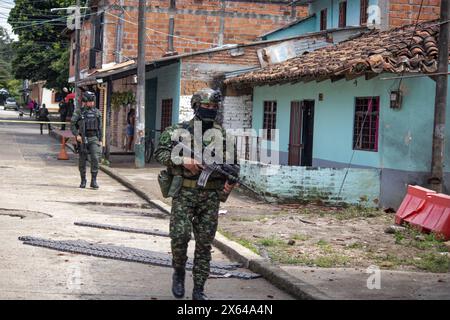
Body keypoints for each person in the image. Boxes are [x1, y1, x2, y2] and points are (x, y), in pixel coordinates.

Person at [154, 88, 238, 300]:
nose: (210, 110)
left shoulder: (224, 136)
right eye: (206, 106)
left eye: (213, 107)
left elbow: (234, 166)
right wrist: (185, 161)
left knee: (204, 244)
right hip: (184, 193)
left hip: (210, 197)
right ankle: (179, 271)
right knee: (180, 237)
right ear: (195, 106)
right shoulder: (178, 130)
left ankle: (199, 288)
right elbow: (160, 153)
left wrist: (230, 183)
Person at [70, 91, 103, 189]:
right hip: (83, 138)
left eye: (92, 101)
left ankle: (94, 180)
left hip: (94, 138)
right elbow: (72, 125)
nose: (91, 103)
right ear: (85, 101)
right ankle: (83, 180)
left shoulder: (97, 112)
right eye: (89, 101)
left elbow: (100, 127)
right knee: (82, 160)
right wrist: (77, 135)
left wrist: (100, 139)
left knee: (95, 158)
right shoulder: (78, 112)